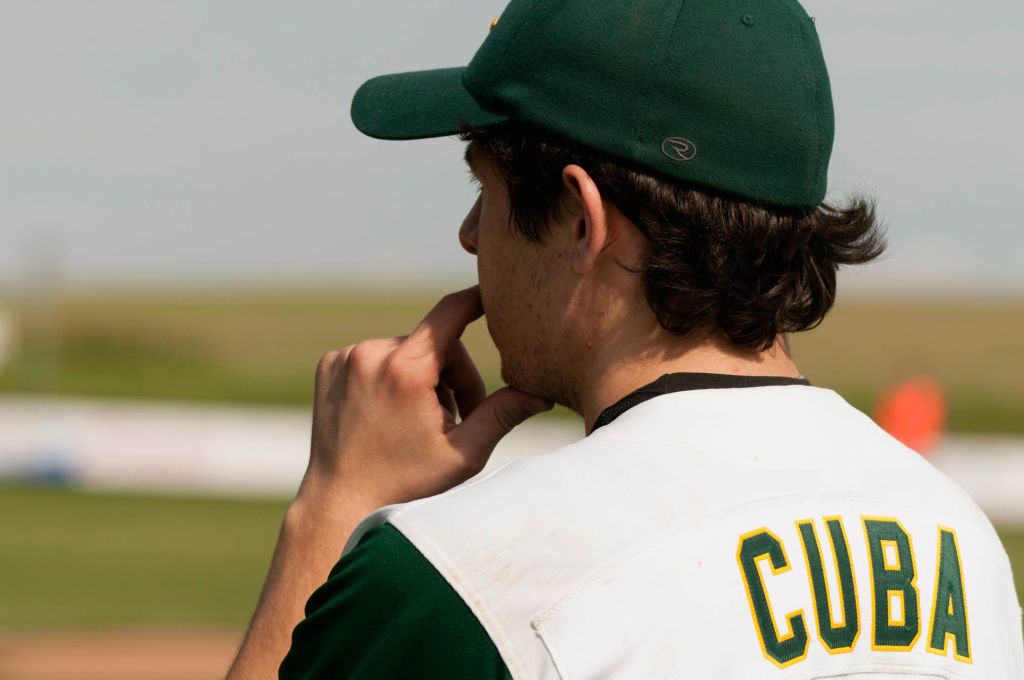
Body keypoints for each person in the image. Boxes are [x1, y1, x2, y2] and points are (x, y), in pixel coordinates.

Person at [228, 1, 1024, 678]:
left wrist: (332, 508)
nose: (470, 234)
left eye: (484, 188)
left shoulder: (468, 574)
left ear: (581, 220)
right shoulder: (963, 543)